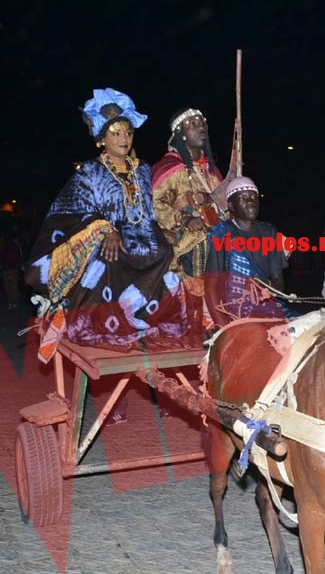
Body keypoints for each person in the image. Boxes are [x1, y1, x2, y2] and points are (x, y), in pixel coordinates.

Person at [27, 88, 202, 423]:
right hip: (108, 243)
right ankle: (107, 376)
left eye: (128, 132)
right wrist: (105, 228)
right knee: (111, 257)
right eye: (116, 133)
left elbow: (152, 212)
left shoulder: (143, 171)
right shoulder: (88, 174)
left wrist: (173, 223)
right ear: (101, 139)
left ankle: (164, 371)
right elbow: (68, 214)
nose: (124, 138)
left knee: (167, 255)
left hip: (145, 242)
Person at [151, 108, 234, 291]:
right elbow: (153, 205)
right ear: (180, 134)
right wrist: (184, 218)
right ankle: (199, 304)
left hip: (215, 231)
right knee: (205, 242)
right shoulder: (168, 168)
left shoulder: (211, 172)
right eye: (193, 124)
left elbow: (227, 209)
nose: (201, 127)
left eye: (202, 123)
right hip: (180, 238)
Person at [205, 177, 289, 326]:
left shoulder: (269, 232)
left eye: (253, 197)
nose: (250, 201)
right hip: (233, 312)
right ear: (231, 205)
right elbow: (211, 285)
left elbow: (279, 282)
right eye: (243, 198)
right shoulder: (221, 233)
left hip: (269, 309)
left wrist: (266, 286)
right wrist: (221, 325)